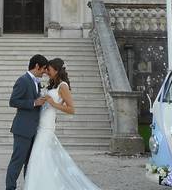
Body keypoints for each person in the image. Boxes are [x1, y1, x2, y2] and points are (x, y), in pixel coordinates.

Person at [24, 58, 102, 190]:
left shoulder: (63, 86)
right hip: (41, 124)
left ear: (56, 70)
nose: (47, 72)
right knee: (40, 158)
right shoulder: (54, 84)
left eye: (49, 69)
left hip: (47, 128)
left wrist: (53, 104)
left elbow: (72, 109)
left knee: (39, 157)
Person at [6, 54, 49, 190]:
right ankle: (10, 188)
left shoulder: (36, 82)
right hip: (22, 129)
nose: (44, 72)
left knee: (30, 162)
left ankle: (28, 186)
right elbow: (13, 101)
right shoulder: (23, 80)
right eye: (43, 69)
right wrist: (33, 102)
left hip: (33, 129)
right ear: (37, 66)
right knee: (17, 162)